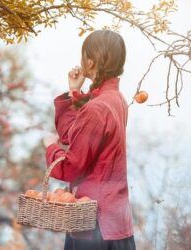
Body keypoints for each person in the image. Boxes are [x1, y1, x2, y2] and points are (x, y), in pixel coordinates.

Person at [43, 30, 136, 250]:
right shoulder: (117, 100)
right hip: (118, 222)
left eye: (83, 55)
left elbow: (71, 168)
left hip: (94, 228)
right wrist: (73, 91)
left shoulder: (96, 108)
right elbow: (76, 135)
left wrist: (51, 147)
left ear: (91, 61)